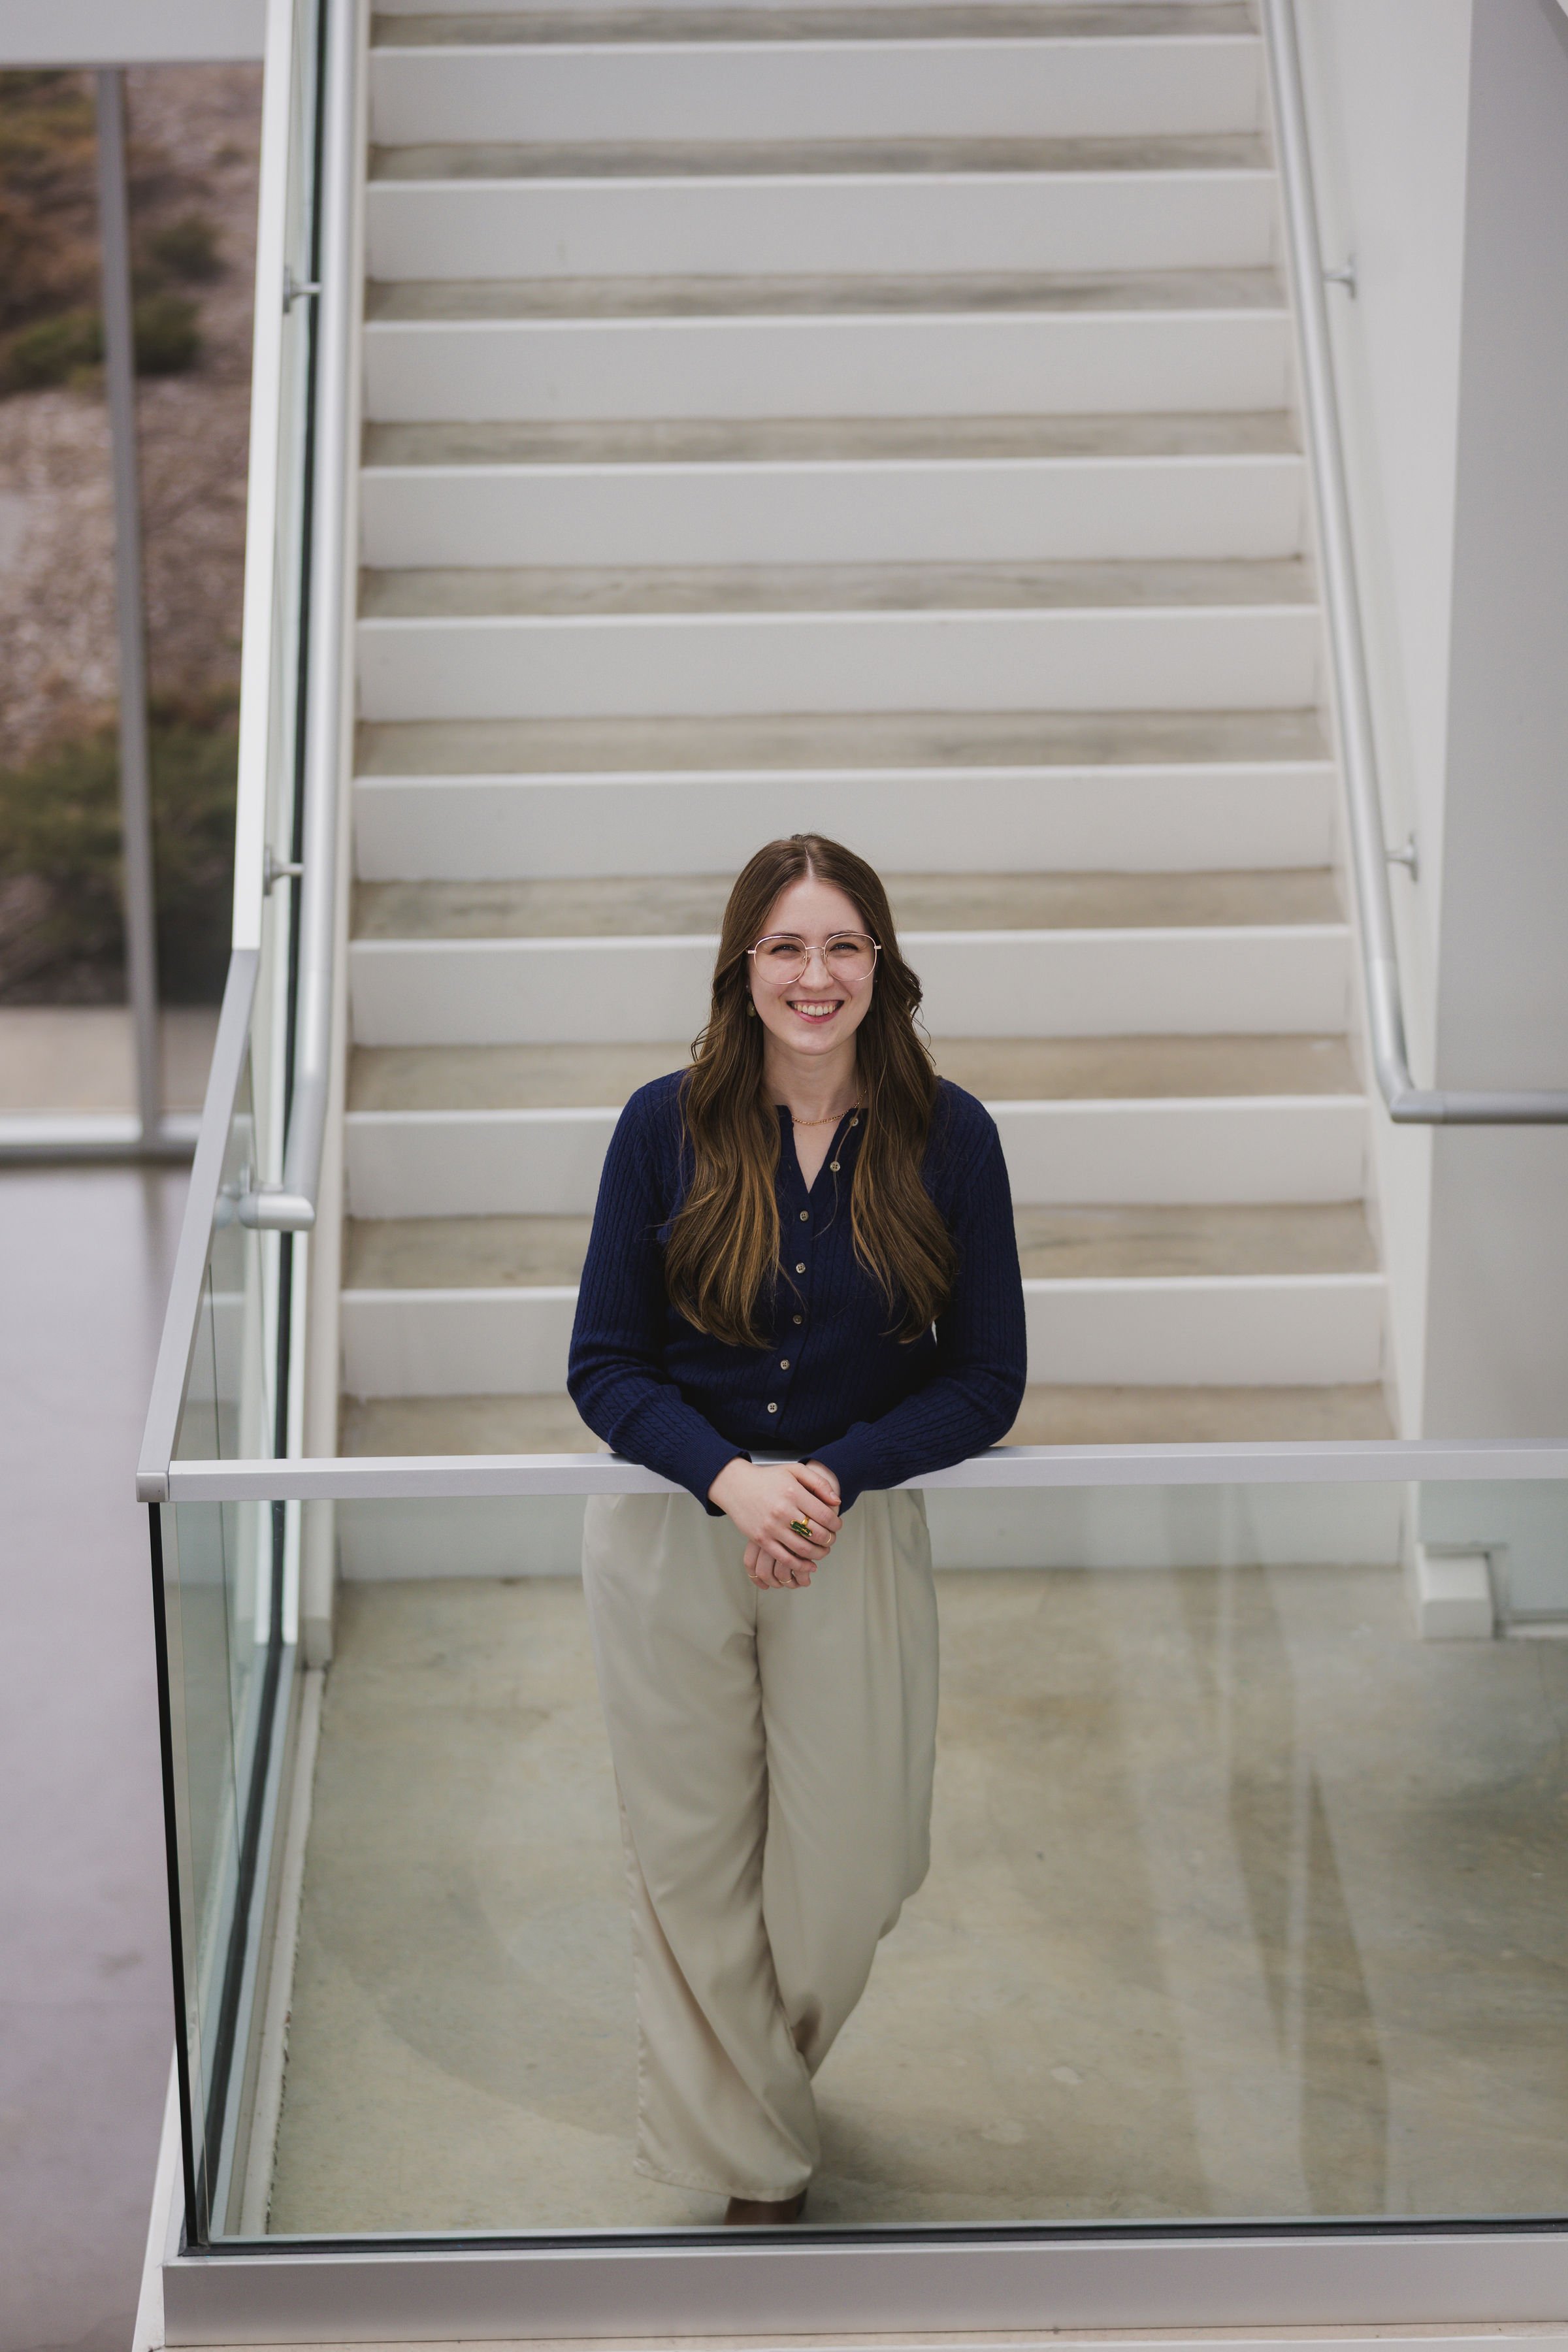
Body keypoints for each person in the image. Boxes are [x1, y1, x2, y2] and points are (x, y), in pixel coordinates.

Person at [567, 832, 1026, 2225]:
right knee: (694, 1861)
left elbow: (987, 1378)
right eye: (785, 947)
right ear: (743, 967)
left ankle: (752, 2087)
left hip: (850, 1533)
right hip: (674, 1528)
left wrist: (828, 1476)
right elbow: (605, 1365)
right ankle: (755, 2163)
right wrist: (732, 1479)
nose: (813, 976)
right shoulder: (663, 1126)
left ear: (881, 964)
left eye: (840, 946)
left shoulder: (953, 1137)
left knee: (856, 1862)